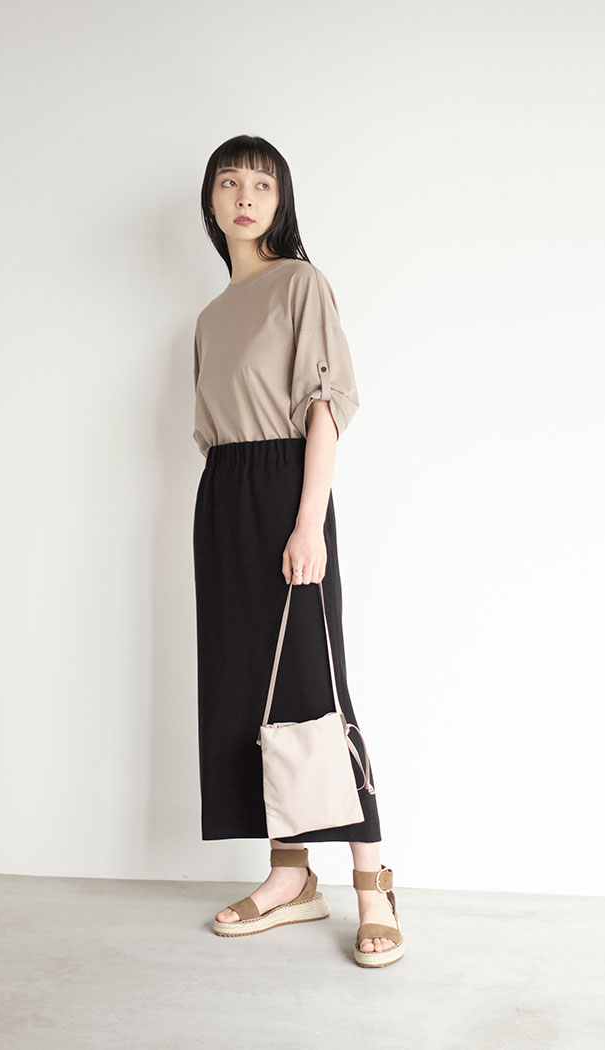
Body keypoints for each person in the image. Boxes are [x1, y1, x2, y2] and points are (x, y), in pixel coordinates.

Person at [191, 135, 404, 967]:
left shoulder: (300, 284)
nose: (245, 197)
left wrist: (308, 521)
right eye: (229, 183)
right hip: (224, 494)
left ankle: (373, 885)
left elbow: (325, 404)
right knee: (248, 692)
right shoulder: (210, 317)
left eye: (262, 184)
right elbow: (214, 427)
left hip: (286, 489)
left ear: (281, 202)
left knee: (317, 688)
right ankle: (289, 877)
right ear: (210, 201)